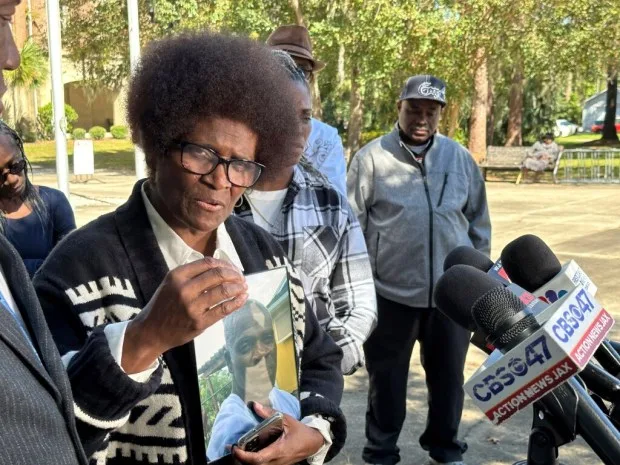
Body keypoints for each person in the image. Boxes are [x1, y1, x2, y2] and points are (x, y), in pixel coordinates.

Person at [34, 32, 346, 465]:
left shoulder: (262, 252)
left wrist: (315, 432)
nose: (221, 181)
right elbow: (43, 433)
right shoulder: (75, 272)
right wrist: (141, 340)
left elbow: (320, 356)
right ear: (157, 144)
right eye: (201, 154)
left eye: (241, 165)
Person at [347, 75, 491, 465]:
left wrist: (477, 280)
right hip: (390, 294)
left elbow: (478, 222)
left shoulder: (459, 158)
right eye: (414, 109)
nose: (421, 119)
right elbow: (352, 227)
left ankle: (445, 448)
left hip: (451, 298)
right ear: (399, 107)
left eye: (430, 111)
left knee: (448, 382)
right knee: (386, 383)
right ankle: (380, 452)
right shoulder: (372, 158)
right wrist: (359, 288)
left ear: (441, 113)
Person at [0, 1, 100, 463]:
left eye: (15, 164)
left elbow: (66, 266)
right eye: (2, 18)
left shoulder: (54, 203)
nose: (12, 58)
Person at [235, 51, 376, 376]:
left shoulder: (330, 203)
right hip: (238, 385)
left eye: (305, 116)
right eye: (282, 116)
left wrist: (330, 363)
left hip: (318, 385)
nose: (297, 130)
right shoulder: (216, 198)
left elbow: (358, 299)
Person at [207, 300, 300, 460]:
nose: (261, 353)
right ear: (229, 361)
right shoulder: (232, 427)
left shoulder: (287, 399)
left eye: (267, 338)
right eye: (245, 345)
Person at [267, 25, 347, 195]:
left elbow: (335, 203)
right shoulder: (242, 126)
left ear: (310, 77)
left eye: (302, 69)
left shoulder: (326, 139)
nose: (292, 73)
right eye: (282, 64)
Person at [0, 121, 76, 277]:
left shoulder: (54, 202)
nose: (12, 179)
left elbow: (71, 263)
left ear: (22, 153)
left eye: (15, 166)